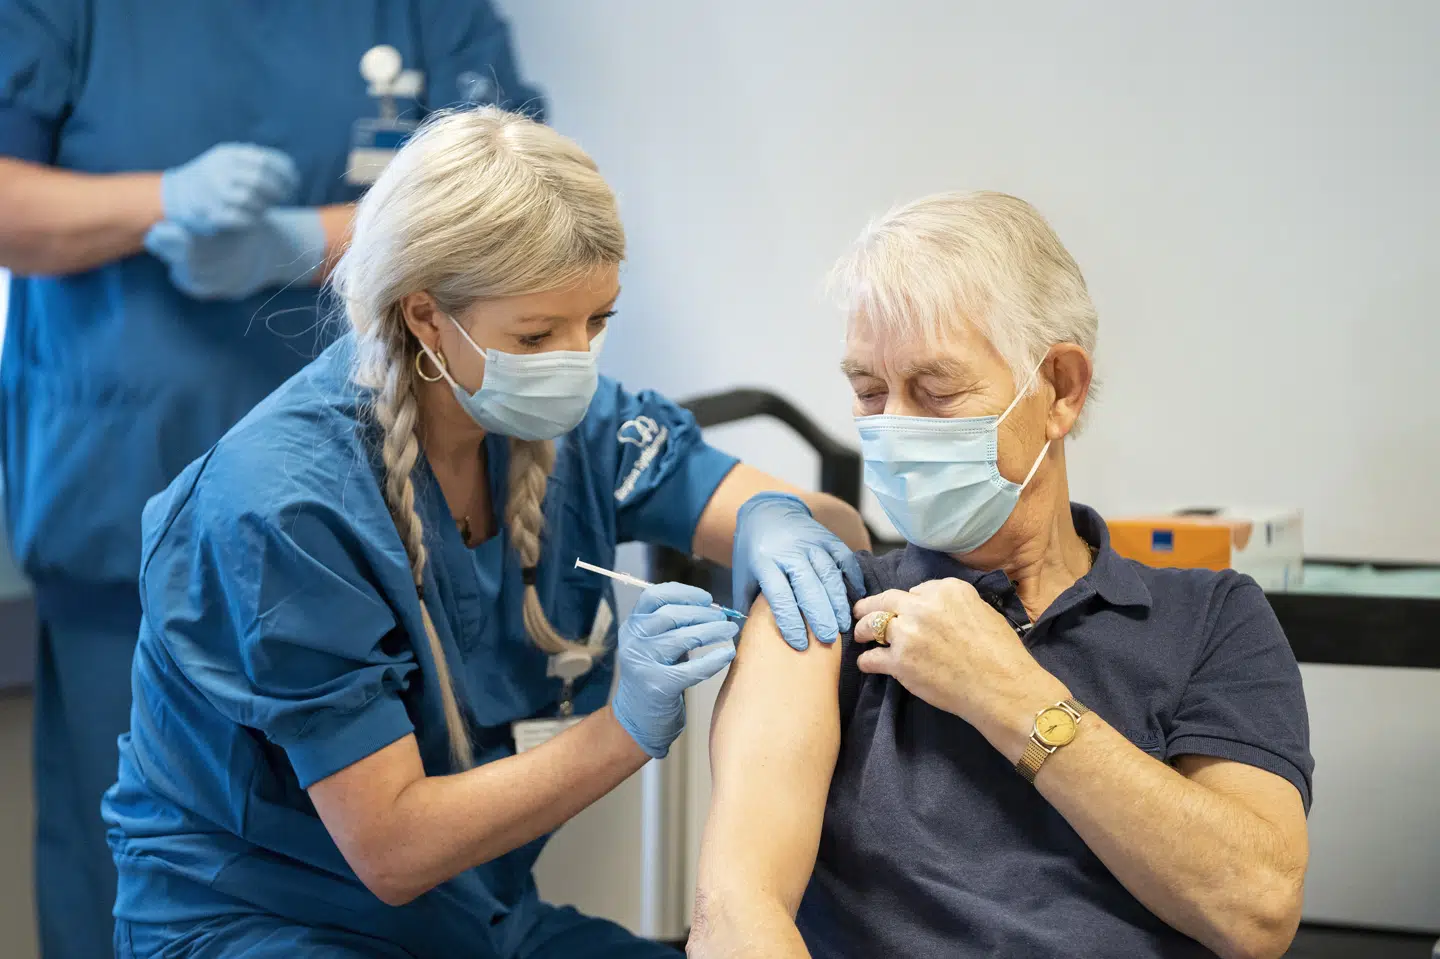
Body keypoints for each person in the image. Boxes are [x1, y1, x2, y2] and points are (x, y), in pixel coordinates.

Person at [101, 106, 868, 959]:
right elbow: (391, 850)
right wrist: (622, 728)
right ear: (427, 316)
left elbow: (770, 508)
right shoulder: (282, 508)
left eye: (598, 322)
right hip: (269, 923)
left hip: (471, 920)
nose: (577, 362)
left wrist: (780, 524)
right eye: (537, 334)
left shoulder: (563, 425)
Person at [0, 4, 545, 954]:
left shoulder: (425, 13)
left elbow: (505, 196)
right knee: (136, 876)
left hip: (379, 521)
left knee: (393, 879)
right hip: (121, 496)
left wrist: (303, 242)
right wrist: (157, 202)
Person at [690, 192, 1313, 959]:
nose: (896, 427)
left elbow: (1255, 908)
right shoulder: (822, 609)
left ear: (1060, 388)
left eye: (937, 390)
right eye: (869, 392)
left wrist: (1011, 696)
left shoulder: (1211, 619)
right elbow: (735, 916)